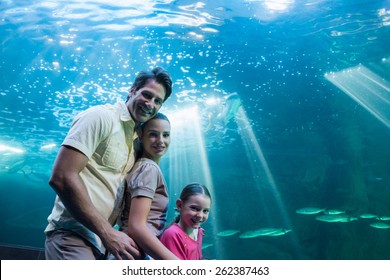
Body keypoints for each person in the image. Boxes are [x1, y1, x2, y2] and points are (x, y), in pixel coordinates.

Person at [44, 67, 173, 260]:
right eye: (147, 95)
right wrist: (108, 232)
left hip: (103, 245)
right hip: (73, 236)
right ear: (132, 90)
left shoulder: (137, 140)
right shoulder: (100, 117)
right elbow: (61, 177)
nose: (150, 104)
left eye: (158, 101)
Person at [118, 112, 179, 260]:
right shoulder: (148, 168)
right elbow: (136, 227)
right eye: (153, 134)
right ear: (140, 134)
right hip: (133, 252)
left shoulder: (141, 166)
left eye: (166, 135)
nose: (161, 141)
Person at [160, 183, 211, 260]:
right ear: (179, 205)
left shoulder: (198, 231)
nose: (200, 215)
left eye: (205, 211)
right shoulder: (172, 235)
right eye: (194, 208)